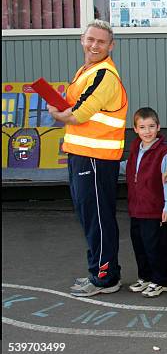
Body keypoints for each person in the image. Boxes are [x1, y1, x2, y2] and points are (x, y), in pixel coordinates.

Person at [49, 20, 127, 298]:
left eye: (101, 42)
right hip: (82, 156)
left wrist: (58, 113)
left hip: (96, 158)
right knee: (89, 216)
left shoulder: (104, 75)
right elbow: (73, 106)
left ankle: (105, 277)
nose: (94, 45)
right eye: (90, 39)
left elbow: (78, 114)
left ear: (111, 46)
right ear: (82, 40)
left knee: (97, 218)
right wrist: (62, 108)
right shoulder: (86, 70)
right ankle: (99, 271)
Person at [123, 107, 167, 298]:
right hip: (136, 208)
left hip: (154, 210)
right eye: (142, 127)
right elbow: (130, 169)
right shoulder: (136, 148)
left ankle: (161, 280)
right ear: (135, 129)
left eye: (151, 126)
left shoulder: (163, 153)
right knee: (140, 245)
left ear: (158, 127)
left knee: (156, 247)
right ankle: (145, 277)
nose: (147, 131)